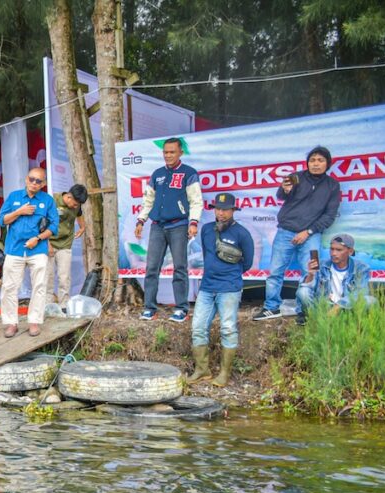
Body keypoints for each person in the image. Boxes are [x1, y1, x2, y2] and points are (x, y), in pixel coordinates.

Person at [253, 146, 342, 321]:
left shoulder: (332, 185)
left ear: (328, 164)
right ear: (307, 163)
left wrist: (307, 232)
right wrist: (285, 189)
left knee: (311, 271)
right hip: (285, 231)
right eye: (312, 160)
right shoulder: (296, 177)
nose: (316, 164)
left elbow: (329, 216)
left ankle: (305, 310)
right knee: (275, 272)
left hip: (312, 235)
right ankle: (272, 307)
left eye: (320, 160)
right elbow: (281, 195)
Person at [187, 193, 254, 387]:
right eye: (218, 209)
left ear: (233, 210)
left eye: (225, 209)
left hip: (229, 288)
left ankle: (224, 374)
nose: (221, 213)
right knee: (198, 328)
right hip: (207, 287)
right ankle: (202, 370)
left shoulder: (242, 233)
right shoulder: (207, 230)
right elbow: (208, 255)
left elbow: (247, 263)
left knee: (228, 328)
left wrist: (229, 274)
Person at [135, 137, 203, 323]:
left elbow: (196, 201)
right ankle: (150, 307)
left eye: (172, 152)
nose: (168, 155)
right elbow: (148, 200)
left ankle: (181, 308)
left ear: (180, 152)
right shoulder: (157, 174)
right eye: (165, 152)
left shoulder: (189, 173)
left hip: (179, 226)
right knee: (151, 268)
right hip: (157, 226)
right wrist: (141, 220)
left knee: (180, 268)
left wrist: (193, 222)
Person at [0, 167, 58, 338]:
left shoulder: (47, 201)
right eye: (31, 179)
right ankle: (11, 322)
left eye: (38, 181)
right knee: (9, 287)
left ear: (43, 184)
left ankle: (34, 321)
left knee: (39, 286)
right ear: (26, 179)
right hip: (14, 248)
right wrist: (19, 212)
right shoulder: (14, 197)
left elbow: (54, 226)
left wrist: (38, 239)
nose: (34, 183)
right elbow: (2, 220)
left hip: (37, 248)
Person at [295, 233, 372, 323]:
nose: (334, 253)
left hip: (345, 307)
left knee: (370, 300)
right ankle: (318, 319)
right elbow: (307, 289)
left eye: (339, 250)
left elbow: (360, 292)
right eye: (332, 249)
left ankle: (345, 319)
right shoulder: (322, 264)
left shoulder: (361, 268)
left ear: (350, 251)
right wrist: (311, 274)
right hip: (324, 306)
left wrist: (338, 306)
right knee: (302, 291)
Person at [47, 184, 87, 307]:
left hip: (65, 244)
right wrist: (48, 245)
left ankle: (64, 306)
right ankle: (47, 306)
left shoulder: (77, 205)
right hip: (49, 243)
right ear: (69, 197)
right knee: (48, 277)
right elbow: (40, 224)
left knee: (64, 277)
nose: (76, 207)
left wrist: (82, 227)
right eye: (75, 204)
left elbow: (79, 214)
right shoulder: (52, 201)